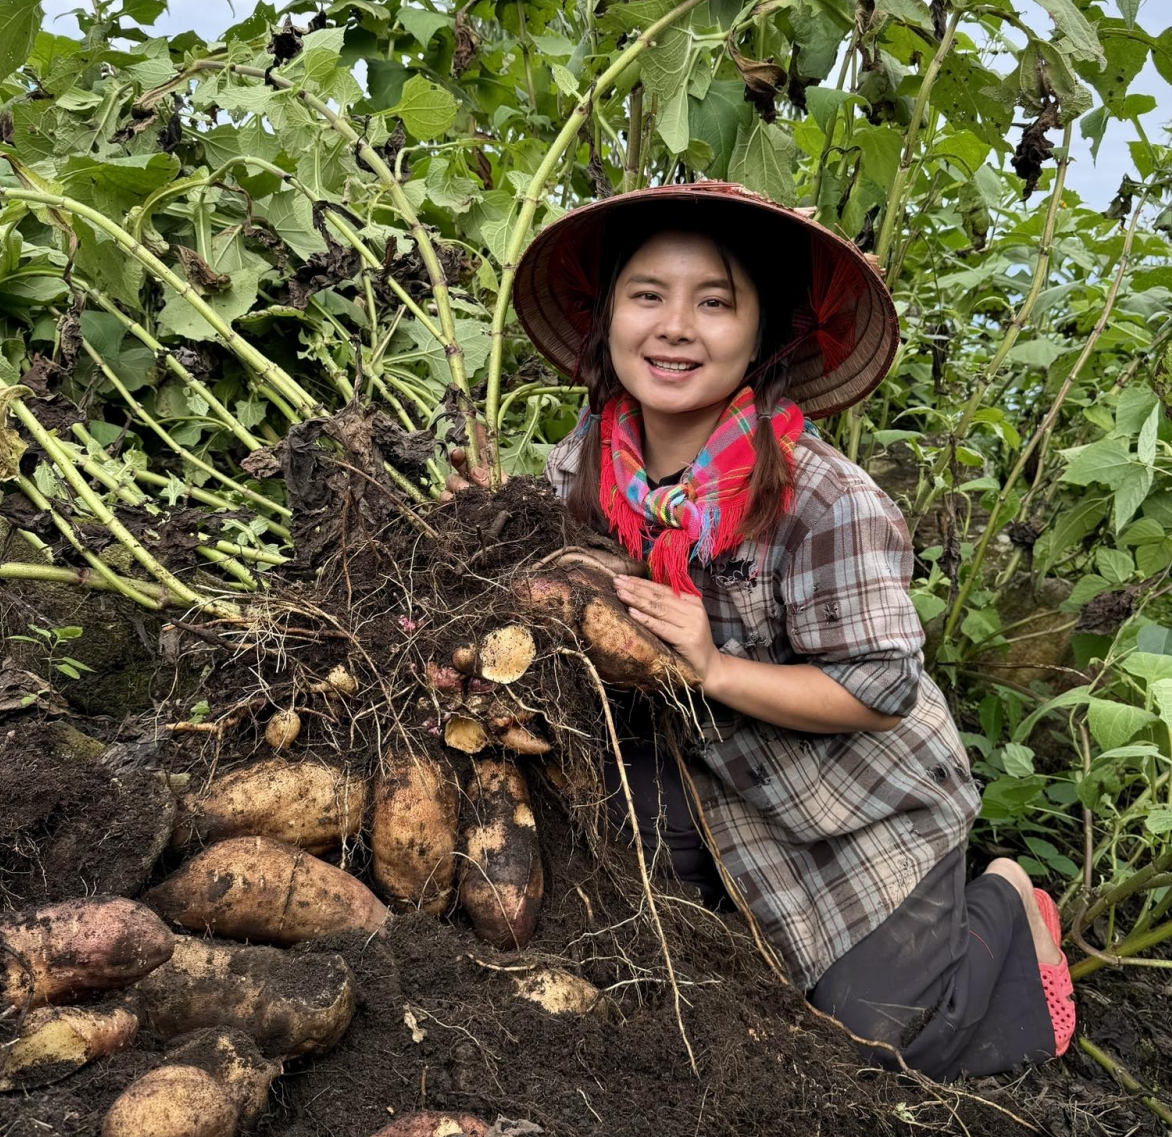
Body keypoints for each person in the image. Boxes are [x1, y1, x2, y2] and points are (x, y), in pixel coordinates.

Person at [451, 180, 1075, 1081]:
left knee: (877, 1040)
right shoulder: (581, 462)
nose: (675, 327)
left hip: (847, 790)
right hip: (682, 770)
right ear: (608, 316)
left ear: (761, 334)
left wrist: (711, 665)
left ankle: (1007, 906)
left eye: (714, 302)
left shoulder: (825, 499)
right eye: (648, 295)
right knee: (625, 952)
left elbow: (877, 693)